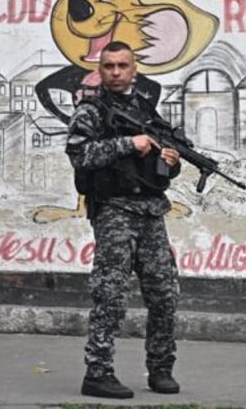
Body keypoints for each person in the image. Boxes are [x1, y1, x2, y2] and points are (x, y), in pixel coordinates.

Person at [66, 41, 182, 399]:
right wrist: (127, 144)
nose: (116, 72)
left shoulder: (147, 110)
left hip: (150, 211)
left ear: (135, 70)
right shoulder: (90, 110)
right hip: (114, 210)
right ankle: (97, 373)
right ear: (100, 70)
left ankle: (161, 369)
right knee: (110, 295)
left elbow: (162, 166)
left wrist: (170, 160)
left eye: (123, 66)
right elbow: (79, 154)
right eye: (109, 66)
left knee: (165, 294)